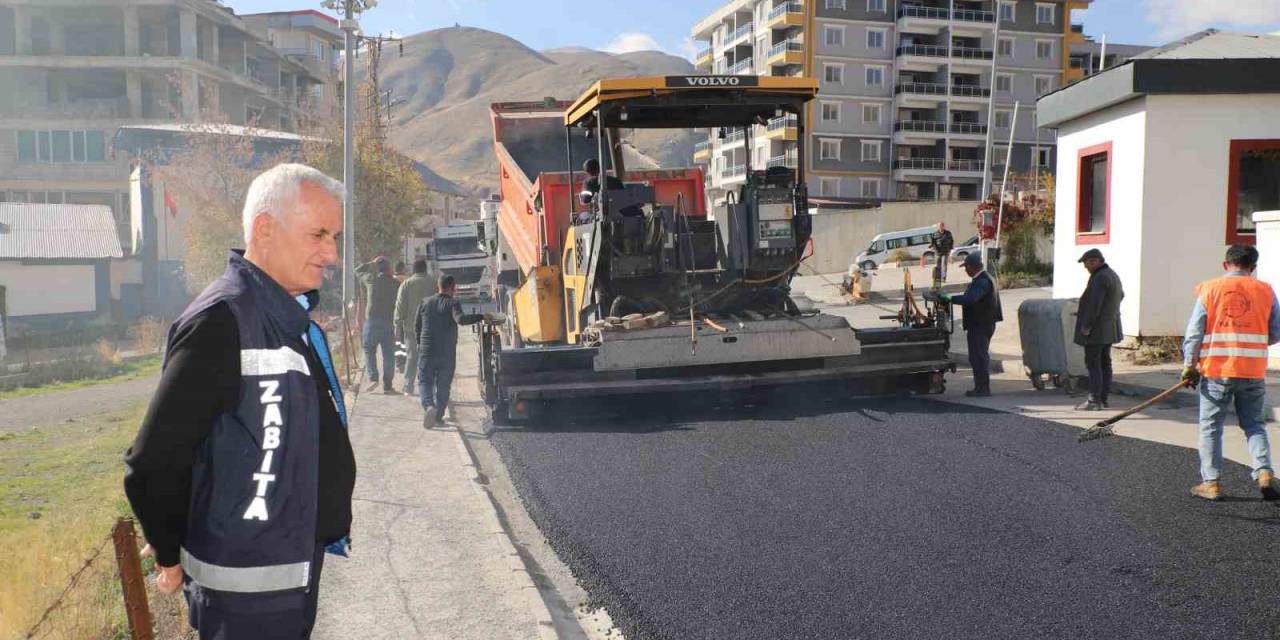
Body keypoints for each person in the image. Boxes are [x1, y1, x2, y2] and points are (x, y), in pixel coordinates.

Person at [123, 164, 355, 640]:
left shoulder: (282, 315)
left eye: (334, 236)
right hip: (246, 595)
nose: (331, 253)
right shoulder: (222, 322)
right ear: (265, 229)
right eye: (318, 234)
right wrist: (168, 551)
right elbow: (153, 460)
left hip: (286, 571)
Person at [1182, 244, 1280, 502]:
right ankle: (1264, 473)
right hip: (1253, 370)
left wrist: (1188, 366)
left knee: (1211, 427)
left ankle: (1211, 483)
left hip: (1217, 370)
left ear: (1226, 265)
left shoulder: (1210, 289)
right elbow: (1276, 331)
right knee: (1254, 424)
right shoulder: (1266, 290)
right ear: (1253, 268)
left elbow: (1194, 333)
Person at [415, 274, 485, 427]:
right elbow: (460, 319)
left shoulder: (425, 302)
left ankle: (429, 407)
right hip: (446, 354)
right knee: (444, 385)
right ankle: (438, 417)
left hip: (427, 351)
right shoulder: (453, 303)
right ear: (453, 288)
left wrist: (420, 344)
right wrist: (481, 316)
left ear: (438, 287)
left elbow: (417, 326)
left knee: (425, 382)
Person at [939, 252, 1002, 397]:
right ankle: (980, 387)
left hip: (980, 325)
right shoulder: (983, 278)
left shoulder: (982, 281)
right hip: (981, 323)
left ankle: (983, 388)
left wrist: (949, 298)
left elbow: (970, 299)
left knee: (979, 357)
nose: (965, 270)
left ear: (972, 267)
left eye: (966, 267)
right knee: (976, 356)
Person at [1074, 248, 1125, 411]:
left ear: (1095, 261)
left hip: (1097, 330)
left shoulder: (1100, 277)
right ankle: (1103, 399)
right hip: (1109, 327)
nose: (1086, 267)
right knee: (1105, 363)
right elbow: (1121, 295)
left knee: (1093, 364)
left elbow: (1094, 305)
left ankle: (1094, 400)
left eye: (1087, 264)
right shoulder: (1112, 275)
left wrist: (1086, 326)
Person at [355, 256, 400, 394]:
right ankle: (387, 386)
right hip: (389, 322)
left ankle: (373, 378)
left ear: (378, 268)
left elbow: (357, 270)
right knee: (388, 354)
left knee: (369, 349)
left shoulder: (370, 280)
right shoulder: (396, 283)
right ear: (389, 269)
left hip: (372, 322)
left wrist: (371, 262)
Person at [394, 259, 434, 394]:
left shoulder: (406, 284)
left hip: (411, 328)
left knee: (412, 357)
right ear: (425, 269)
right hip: (431, 328)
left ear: (414, 270)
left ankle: (408, 386)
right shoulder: (434, 282)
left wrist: (397, 325)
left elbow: (400, 307)